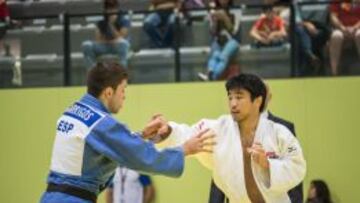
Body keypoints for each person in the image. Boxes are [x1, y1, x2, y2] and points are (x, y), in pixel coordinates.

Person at [39, 62, 214, 203]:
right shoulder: (100, 123)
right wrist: (184, 149)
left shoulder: (72, 112)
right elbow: (142, 158)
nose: (124, 96)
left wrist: (142, 135)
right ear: (109, 92)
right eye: (123, 90)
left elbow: (106, 148)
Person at [151, 73, 306, 202]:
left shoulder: (279, 133)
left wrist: (267, 165)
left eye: (239, 97)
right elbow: (189, 134)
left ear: (258, 101)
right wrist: (169, 131)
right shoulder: (219, 129)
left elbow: (297, 166)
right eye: (230, 97)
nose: (233, 104)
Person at [207, 83, 304, 203]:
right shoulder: (231, 125)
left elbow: (292, 167)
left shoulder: (283, 128)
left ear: (268, 97)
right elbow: (221, 166)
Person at [198, 0, 241, 81]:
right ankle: (210, 73)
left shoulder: (236, 10)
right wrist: (214, 21)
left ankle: (212, 77)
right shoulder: (214, 10)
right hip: (219, 39)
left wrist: (225, 18)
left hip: (233, 40)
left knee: (223, 56)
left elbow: (234, 31)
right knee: (215, 55)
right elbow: (213, 32)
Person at [82, 1, 131, 69]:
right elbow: (98, 40)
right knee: (86, 45)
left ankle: (121, 76)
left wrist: (111, 25)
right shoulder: (100, 23)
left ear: (117, 9)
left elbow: (121, 37)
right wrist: (108, 23)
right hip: (105, 46)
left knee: (123, 44)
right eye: (108, 8)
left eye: (113, 8)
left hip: (118, 46)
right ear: (105, 10)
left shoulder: (124, 21)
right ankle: (93, 74)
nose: (111, 11)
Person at [329, 0, 360, 75]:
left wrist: (355, 28)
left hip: (357, 28)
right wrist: (342, 28)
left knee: (359, 35)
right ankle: (334, 73)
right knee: (336, 36)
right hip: (340, 28)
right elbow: (333, 16)